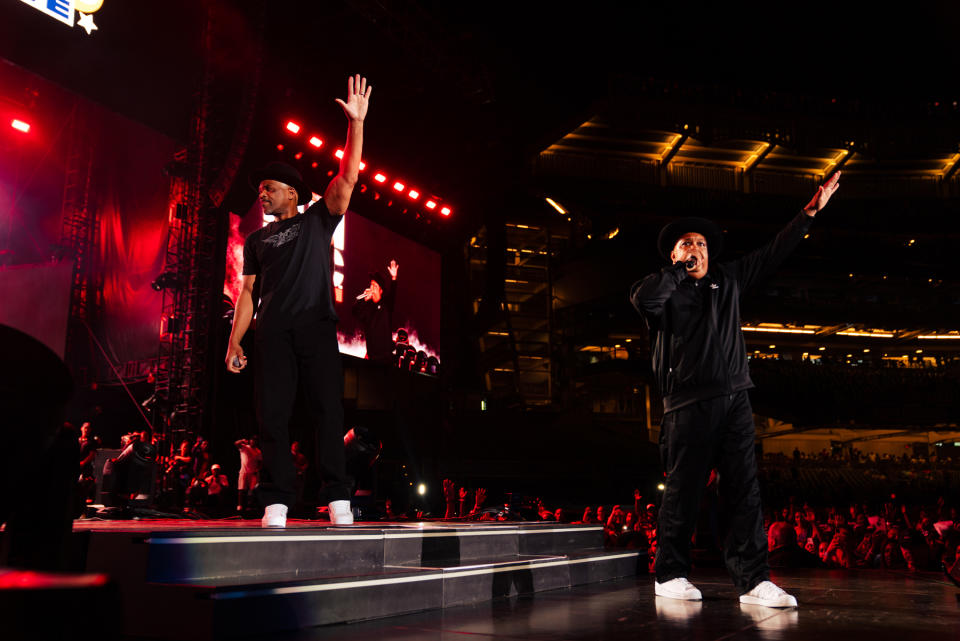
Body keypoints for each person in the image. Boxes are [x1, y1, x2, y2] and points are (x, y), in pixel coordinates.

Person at [630, 171, 841, 608]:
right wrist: (676, 271)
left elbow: (773, 252)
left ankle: (753, 581)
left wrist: (809, 212)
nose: (697, 249)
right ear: (673, 254)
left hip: (736, 400)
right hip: (688, 406)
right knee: (684, 492)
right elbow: (643, 301)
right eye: (687, 244)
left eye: (702, 244)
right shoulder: (662, 292)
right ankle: (669, 575)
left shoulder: (727, 281)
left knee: (745, 490)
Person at [226, 74, 371, 528]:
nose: (261, 194)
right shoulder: (256, 240)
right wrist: (235, 342)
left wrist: (356, 125)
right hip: (272, 333)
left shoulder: (316, 220)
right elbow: (248, 292)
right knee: (272, 415)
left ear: (292, 192)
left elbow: (347, 178)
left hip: (314, 325)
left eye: (269, 188)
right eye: (260, 190)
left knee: (327, 410)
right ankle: (276, 500)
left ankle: (337, 497)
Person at [352, 260, 399, 362]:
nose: (372, 289)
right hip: (373, 358)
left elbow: (393, 294)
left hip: (386, 358)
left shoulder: (386, 305)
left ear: (381, 291)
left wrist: (394, 278)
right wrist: (363, 299)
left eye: (375, 286)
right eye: (371, 285)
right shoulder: (367, 307)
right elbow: (354, 312)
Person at [234, 436, 262, 513]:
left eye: (255, 440)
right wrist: (242, 440)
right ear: (250, 441)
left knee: (252, 490)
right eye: (252, 440)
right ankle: (240, 505)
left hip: (252, 473)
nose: (254, 442)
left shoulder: (258, 451)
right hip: (243, 471)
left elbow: (260, 462)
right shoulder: (245, 447)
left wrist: (257, 469)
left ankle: (250, 505)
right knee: (241, 489)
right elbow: (236, 443)